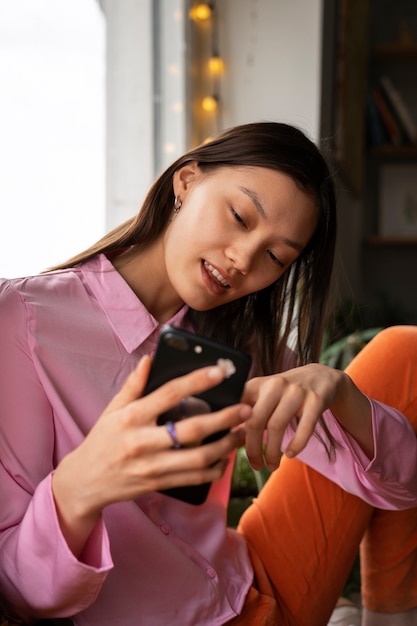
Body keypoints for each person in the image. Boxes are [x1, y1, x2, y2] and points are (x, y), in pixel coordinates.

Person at [0, 121, 416, 626]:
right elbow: (21, 591)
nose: (243, 261)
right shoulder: (22, 319)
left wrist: (338, 391)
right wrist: (82, 484)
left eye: (274, 257)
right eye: (240, 216)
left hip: (257, 585)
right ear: (187, 181)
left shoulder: (237, 341)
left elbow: (401, 488)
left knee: (402, 352)